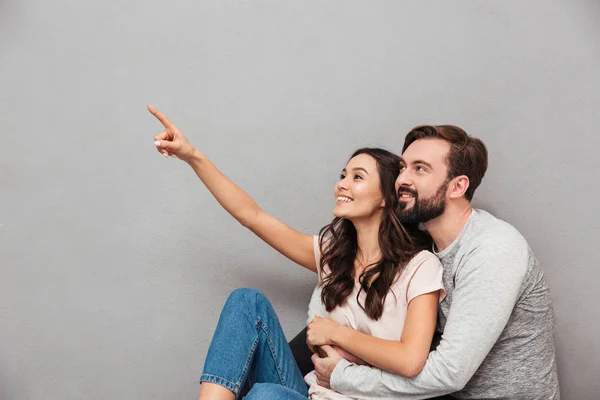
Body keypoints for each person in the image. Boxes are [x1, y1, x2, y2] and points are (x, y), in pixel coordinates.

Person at [147, 105, 446, 400]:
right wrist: (193, 156)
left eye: (357, 177)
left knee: (265, 395)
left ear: (385, 197)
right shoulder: (333, 255)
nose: (341, 184)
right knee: (246, 302)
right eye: (343, 175)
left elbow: (410, 360)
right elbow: (252, 216)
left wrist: (335, 333)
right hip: (311, 393)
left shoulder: (421, 267)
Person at [311, 125, 560, 399]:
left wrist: (342, 375)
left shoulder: (492, 248)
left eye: (420, 169)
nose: (401, 180)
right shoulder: (422, 246)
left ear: (457, 186)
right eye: (403, 167)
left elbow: (449, 373)